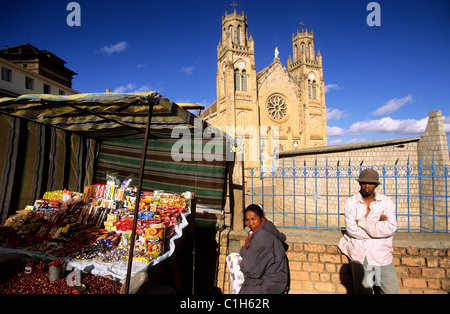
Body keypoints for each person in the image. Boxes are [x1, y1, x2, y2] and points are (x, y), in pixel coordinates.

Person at [338, 169, 401, 294]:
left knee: (390, 291)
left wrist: (362, 223)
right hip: (360, 255)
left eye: (371, 183)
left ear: (376, 185)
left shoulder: (385, 202)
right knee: (362, 291)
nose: (367, 186)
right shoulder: (351, 203)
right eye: (364, 183)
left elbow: (391, 228)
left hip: (381, 255)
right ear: (360, 184)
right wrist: (377, 226)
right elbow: (352, 230)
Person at [238, 204, 289, 294]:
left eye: (253, 219)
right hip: (276, 279)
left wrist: (243, 263)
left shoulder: (262, 236)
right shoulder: (264, 229)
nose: (250, 223)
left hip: (271, 283)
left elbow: (250, 269)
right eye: (247, 220)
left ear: (261, 218)